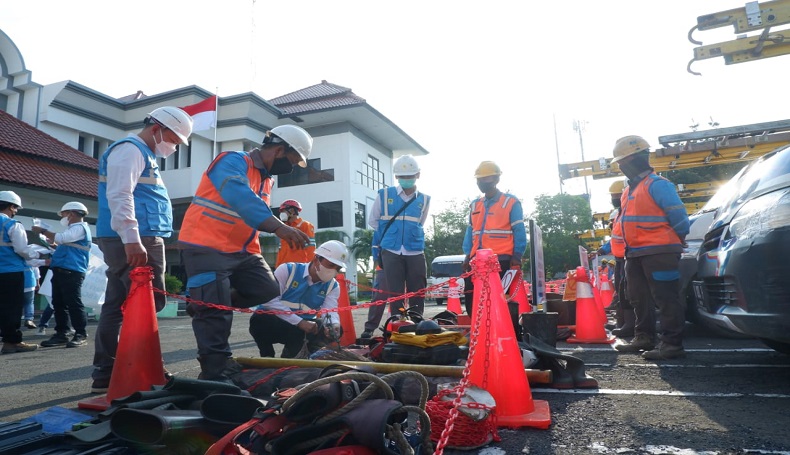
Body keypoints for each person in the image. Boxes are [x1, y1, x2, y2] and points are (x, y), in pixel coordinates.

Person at [179, 124, 313, 381]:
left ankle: (202, 301)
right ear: (279, 150)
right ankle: (214, 369)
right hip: (206, 244)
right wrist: (278, 227)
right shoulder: (231, 161)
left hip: (243, 251)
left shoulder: (267, 179)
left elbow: (251, 213)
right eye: (293, 161)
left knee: (267, 290)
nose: (292, 167)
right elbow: (238, 195)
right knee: (216, 312)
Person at [92, 107, 193, 393]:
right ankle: (139, 368)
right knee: (145, 304)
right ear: (156, 128)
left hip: (134, 237)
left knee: (119, 304)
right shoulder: (131, 150)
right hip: (137, 239)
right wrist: (132, 239)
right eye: (174, 139)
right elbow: (120, 194)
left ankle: (108, 372)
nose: (174, 147)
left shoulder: (140, 152)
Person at [610, 136, 690, 360]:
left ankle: (672, 344)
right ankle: (643, 337)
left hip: (659, 251)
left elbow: (679, 217)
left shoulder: (658, 184)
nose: (621, 166)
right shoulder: (629, 191)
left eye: (623, 162)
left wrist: (676, 240)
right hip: (634, 253)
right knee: (638, 297)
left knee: (666, 298)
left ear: (635, 159)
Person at [249, 240, 348, 358]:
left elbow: (330, 310)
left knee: (333, 330)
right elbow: (269, 300)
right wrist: (299, 322)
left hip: (302, 330)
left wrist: (333, 325)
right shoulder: (288, 270)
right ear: (316, 259)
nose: (333, 271)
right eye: (330, 265)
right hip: (277, 322)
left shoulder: (333, 286)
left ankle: (295, 355)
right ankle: (267, 355)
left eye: (338, 268)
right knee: (259, 319)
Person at [462, 161, 527, 338]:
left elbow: (519, 230)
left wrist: (517, 255)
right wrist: (467, 255)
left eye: (486, 178)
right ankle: (479, 329)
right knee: (471, 295)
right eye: (480, 179)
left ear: (497, 179)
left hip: (501, 260)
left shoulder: (510, 202)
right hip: (476, 260)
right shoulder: (475, 205)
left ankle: (497, 331)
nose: (482, 182)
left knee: (497, 298)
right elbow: (471, 232)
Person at [368, 154, 430, 329]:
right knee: (395, 293)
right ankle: (399, 326)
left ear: (418, 175)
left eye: (410, 176)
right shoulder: (384, 195)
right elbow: (374, 222)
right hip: (391, 251)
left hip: (415, 250)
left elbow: (420, 222)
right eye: (402, 177)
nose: (406, 180)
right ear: (396, 177)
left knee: (417, 291)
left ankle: (417, 324)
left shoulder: (424, 199)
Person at [34, 202, 92, 348]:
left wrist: (43, 230)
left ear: (71, 213)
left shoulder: (79, 227)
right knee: (59, 304)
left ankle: (80, 333)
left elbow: (62, 238)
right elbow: (65, 244)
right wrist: (53, 245)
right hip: (62, 270)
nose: (63, 217)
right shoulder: (74, 229)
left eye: (64, 214)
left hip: (72, 271)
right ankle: (62, 333)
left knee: (73, 303)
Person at [0, 190, 40, 354]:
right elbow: (22, 249)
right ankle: (12, 342)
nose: (15, 211)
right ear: (11, 206)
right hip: (11, 272)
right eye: (15, 208)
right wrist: (37, 253)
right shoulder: (12, 224)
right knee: (11, 307)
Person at [595, 180, 635, 338]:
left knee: (628, 292)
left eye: (617, 195)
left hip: (628, 256)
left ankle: (629, 324)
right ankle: (622, 323)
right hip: (620, 258)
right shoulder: (619, 214)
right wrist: (602, 250)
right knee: (620, 292)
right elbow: (614, 239)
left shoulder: (627, 211)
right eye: (613, 196)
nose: (614, 198)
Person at [275, 199, 316, 267]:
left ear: (292, 211)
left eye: (284, 210)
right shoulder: (284, 228)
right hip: (284, 268)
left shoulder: (305, 225)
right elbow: (280, 251)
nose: (281, 214)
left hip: (299, 267)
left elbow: (310, 248)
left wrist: (310, 267)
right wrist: (277, 267)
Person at [360, 264, 389, 338]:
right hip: (384, 265)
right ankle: (370, 328)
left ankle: (398, 326)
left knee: (400, 296)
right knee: (379, 297)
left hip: (408, 260)